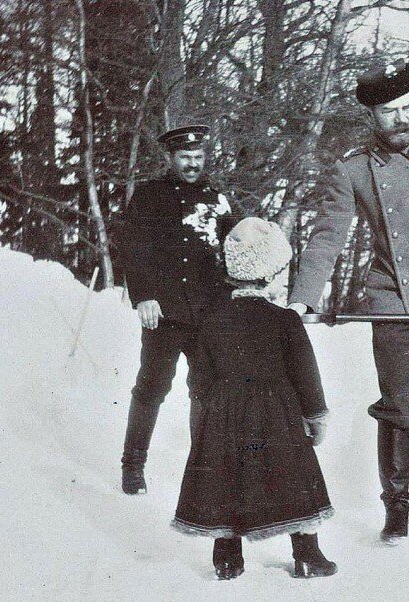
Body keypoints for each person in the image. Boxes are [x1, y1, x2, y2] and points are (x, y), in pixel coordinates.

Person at [287, 60, 409, 543]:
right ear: (371, 116)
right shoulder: (353, 167)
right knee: (399, 406)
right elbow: (328, 234)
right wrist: (303, 299)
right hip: (392, 297)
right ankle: (396, 508)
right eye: (391, 111)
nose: (403, 118)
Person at [172, 217, 337, 580]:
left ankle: (228, 560)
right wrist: (315, 416)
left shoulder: (211, 320)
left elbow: (198, 378)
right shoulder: (284, 321)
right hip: (277, 416)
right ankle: (307, 555)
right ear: (271, 275)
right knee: (294, 474)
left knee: (226, 479)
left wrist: (210, 411)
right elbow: (306, 375)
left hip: (224, 414)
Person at [118, 125, 242, 495]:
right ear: (171, 158)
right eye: (185, 157)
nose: (192, 164)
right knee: (152, 388)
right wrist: (144, 296)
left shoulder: (217, 200)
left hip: (208, 313)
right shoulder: (149, 196)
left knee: (205, 391)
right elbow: (133, 247)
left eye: (198, 157)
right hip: (164, 313)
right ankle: (133, 465)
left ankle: (203, 468)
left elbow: (233, 250)